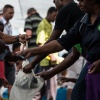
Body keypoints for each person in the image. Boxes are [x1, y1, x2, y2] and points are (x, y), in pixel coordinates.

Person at [20, 0, 100, 99]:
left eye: (82, 0)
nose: (79, 4)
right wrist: (32, 52)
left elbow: (53, 40)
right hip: (91, 64)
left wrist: (33, 61)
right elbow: (61, 45)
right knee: (78, 94)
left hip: (92, 62)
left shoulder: (66, 10)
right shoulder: (82, 23)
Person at [36, 6, 58, 100]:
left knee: (44, 89)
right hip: (47, 61)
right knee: (51, 89)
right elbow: (40, 44)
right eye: (54, 15)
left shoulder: (49, 24)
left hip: (50, 61)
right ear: (49, 13)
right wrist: (51, 55)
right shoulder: (43, 25)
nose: (55, 18)